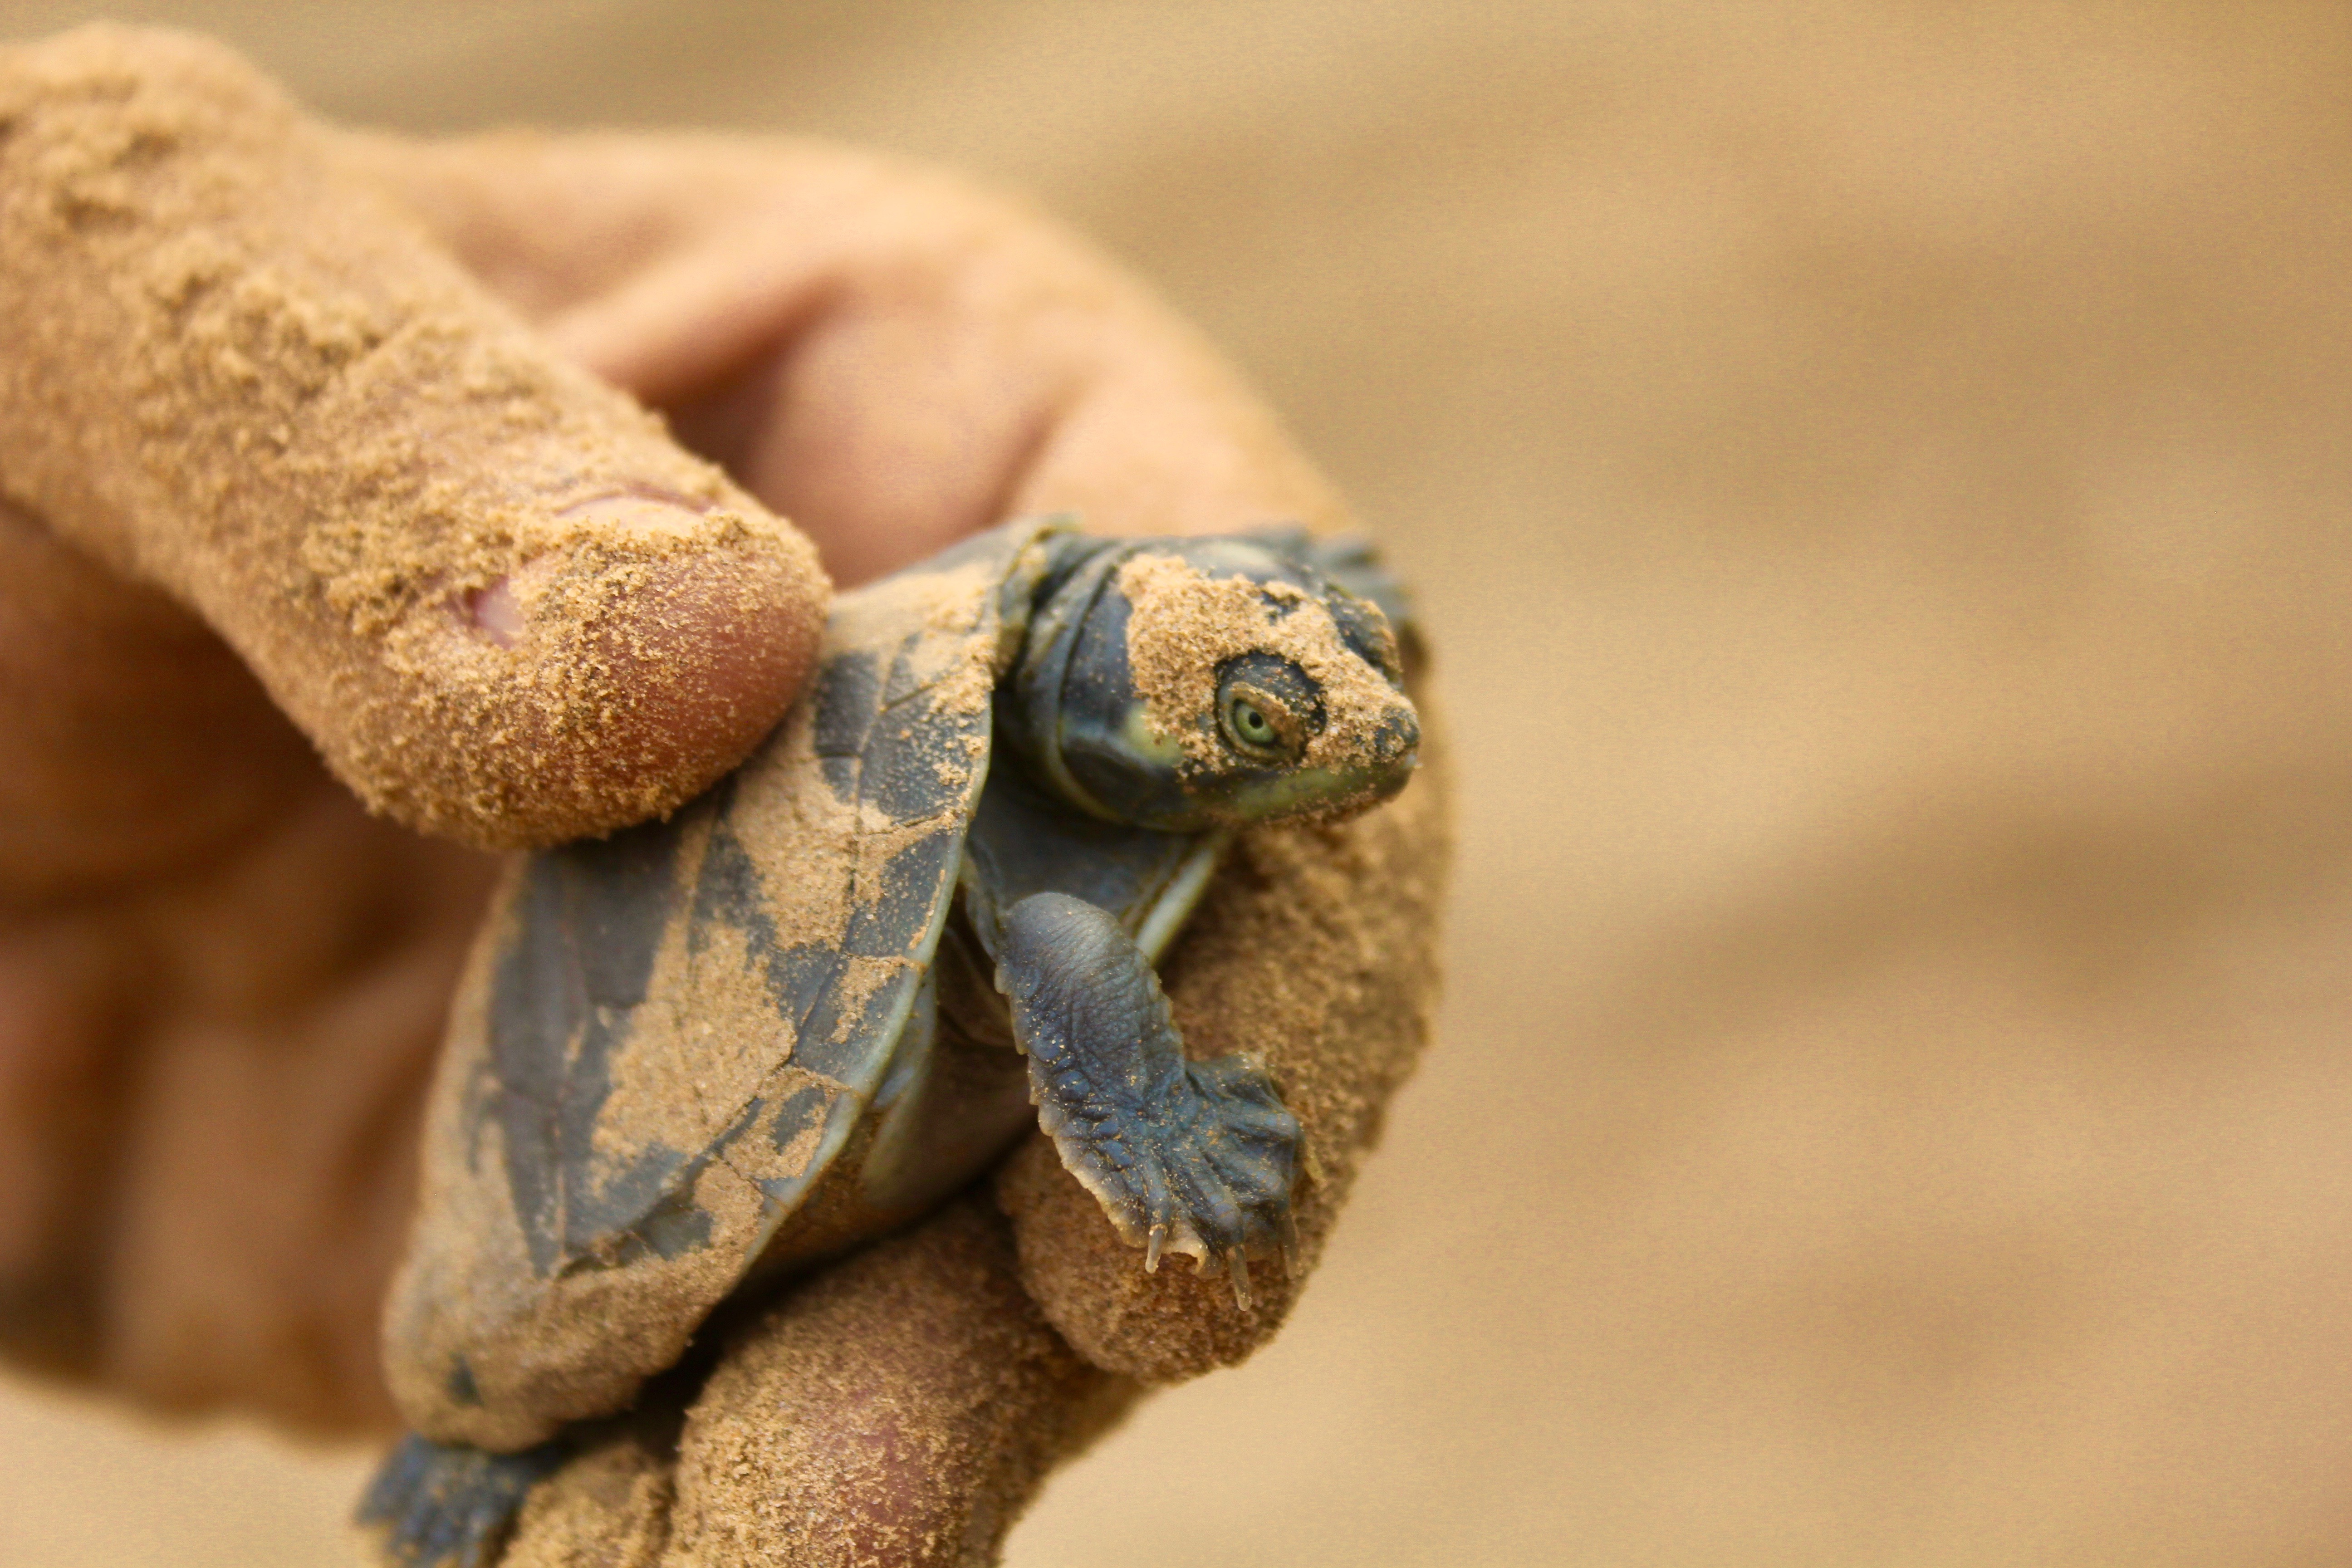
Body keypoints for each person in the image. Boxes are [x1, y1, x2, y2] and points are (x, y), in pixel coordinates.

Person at [0, 26, 1445, 1565]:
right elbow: (1065, 951)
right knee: (552, 1385)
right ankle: (475, 1431)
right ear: (1122, 729)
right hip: (601, 1147)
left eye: (1326, 649)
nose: (1362, 724)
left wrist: (1296, 605)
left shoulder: (1118, 621)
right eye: (1262, 717)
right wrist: (1152, 1128)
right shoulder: (1045, 853)